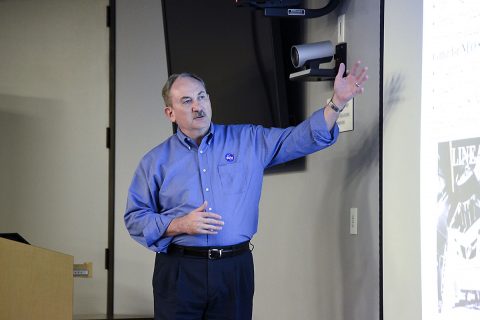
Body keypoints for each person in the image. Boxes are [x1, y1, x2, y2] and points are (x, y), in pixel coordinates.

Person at [124, 61, 368, 320]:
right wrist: (179, 224)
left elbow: (300, 138)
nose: (197, 106)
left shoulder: (249, 140)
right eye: (186, 101)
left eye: (202, 96)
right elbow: (135, 218)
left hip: (234, 268)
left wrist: (337, 102)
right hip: (180, 271)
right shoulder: (154, 161)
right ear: (170, 113)